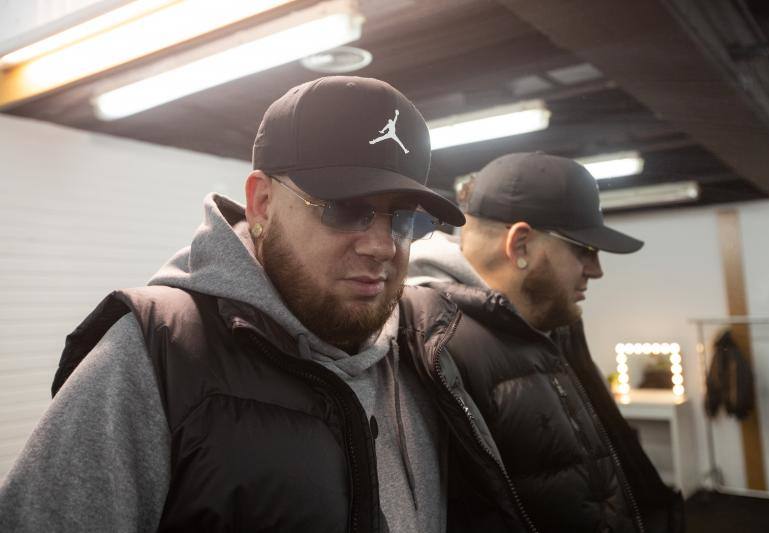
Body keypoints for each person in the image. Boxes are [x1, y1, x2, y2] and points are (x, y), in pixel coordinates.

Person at [0, 76, 468, 532]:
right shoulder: (156, 356)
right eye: (345, 210)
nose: (383, 247)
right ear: (262, 203)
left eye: (405, 220)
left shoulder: (423, 351)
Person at [408, 152, 686, 532]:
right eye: (583, 249)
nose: (596, 270)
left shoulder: (543, 327)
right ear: (520, 245)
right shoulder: (436, 346)